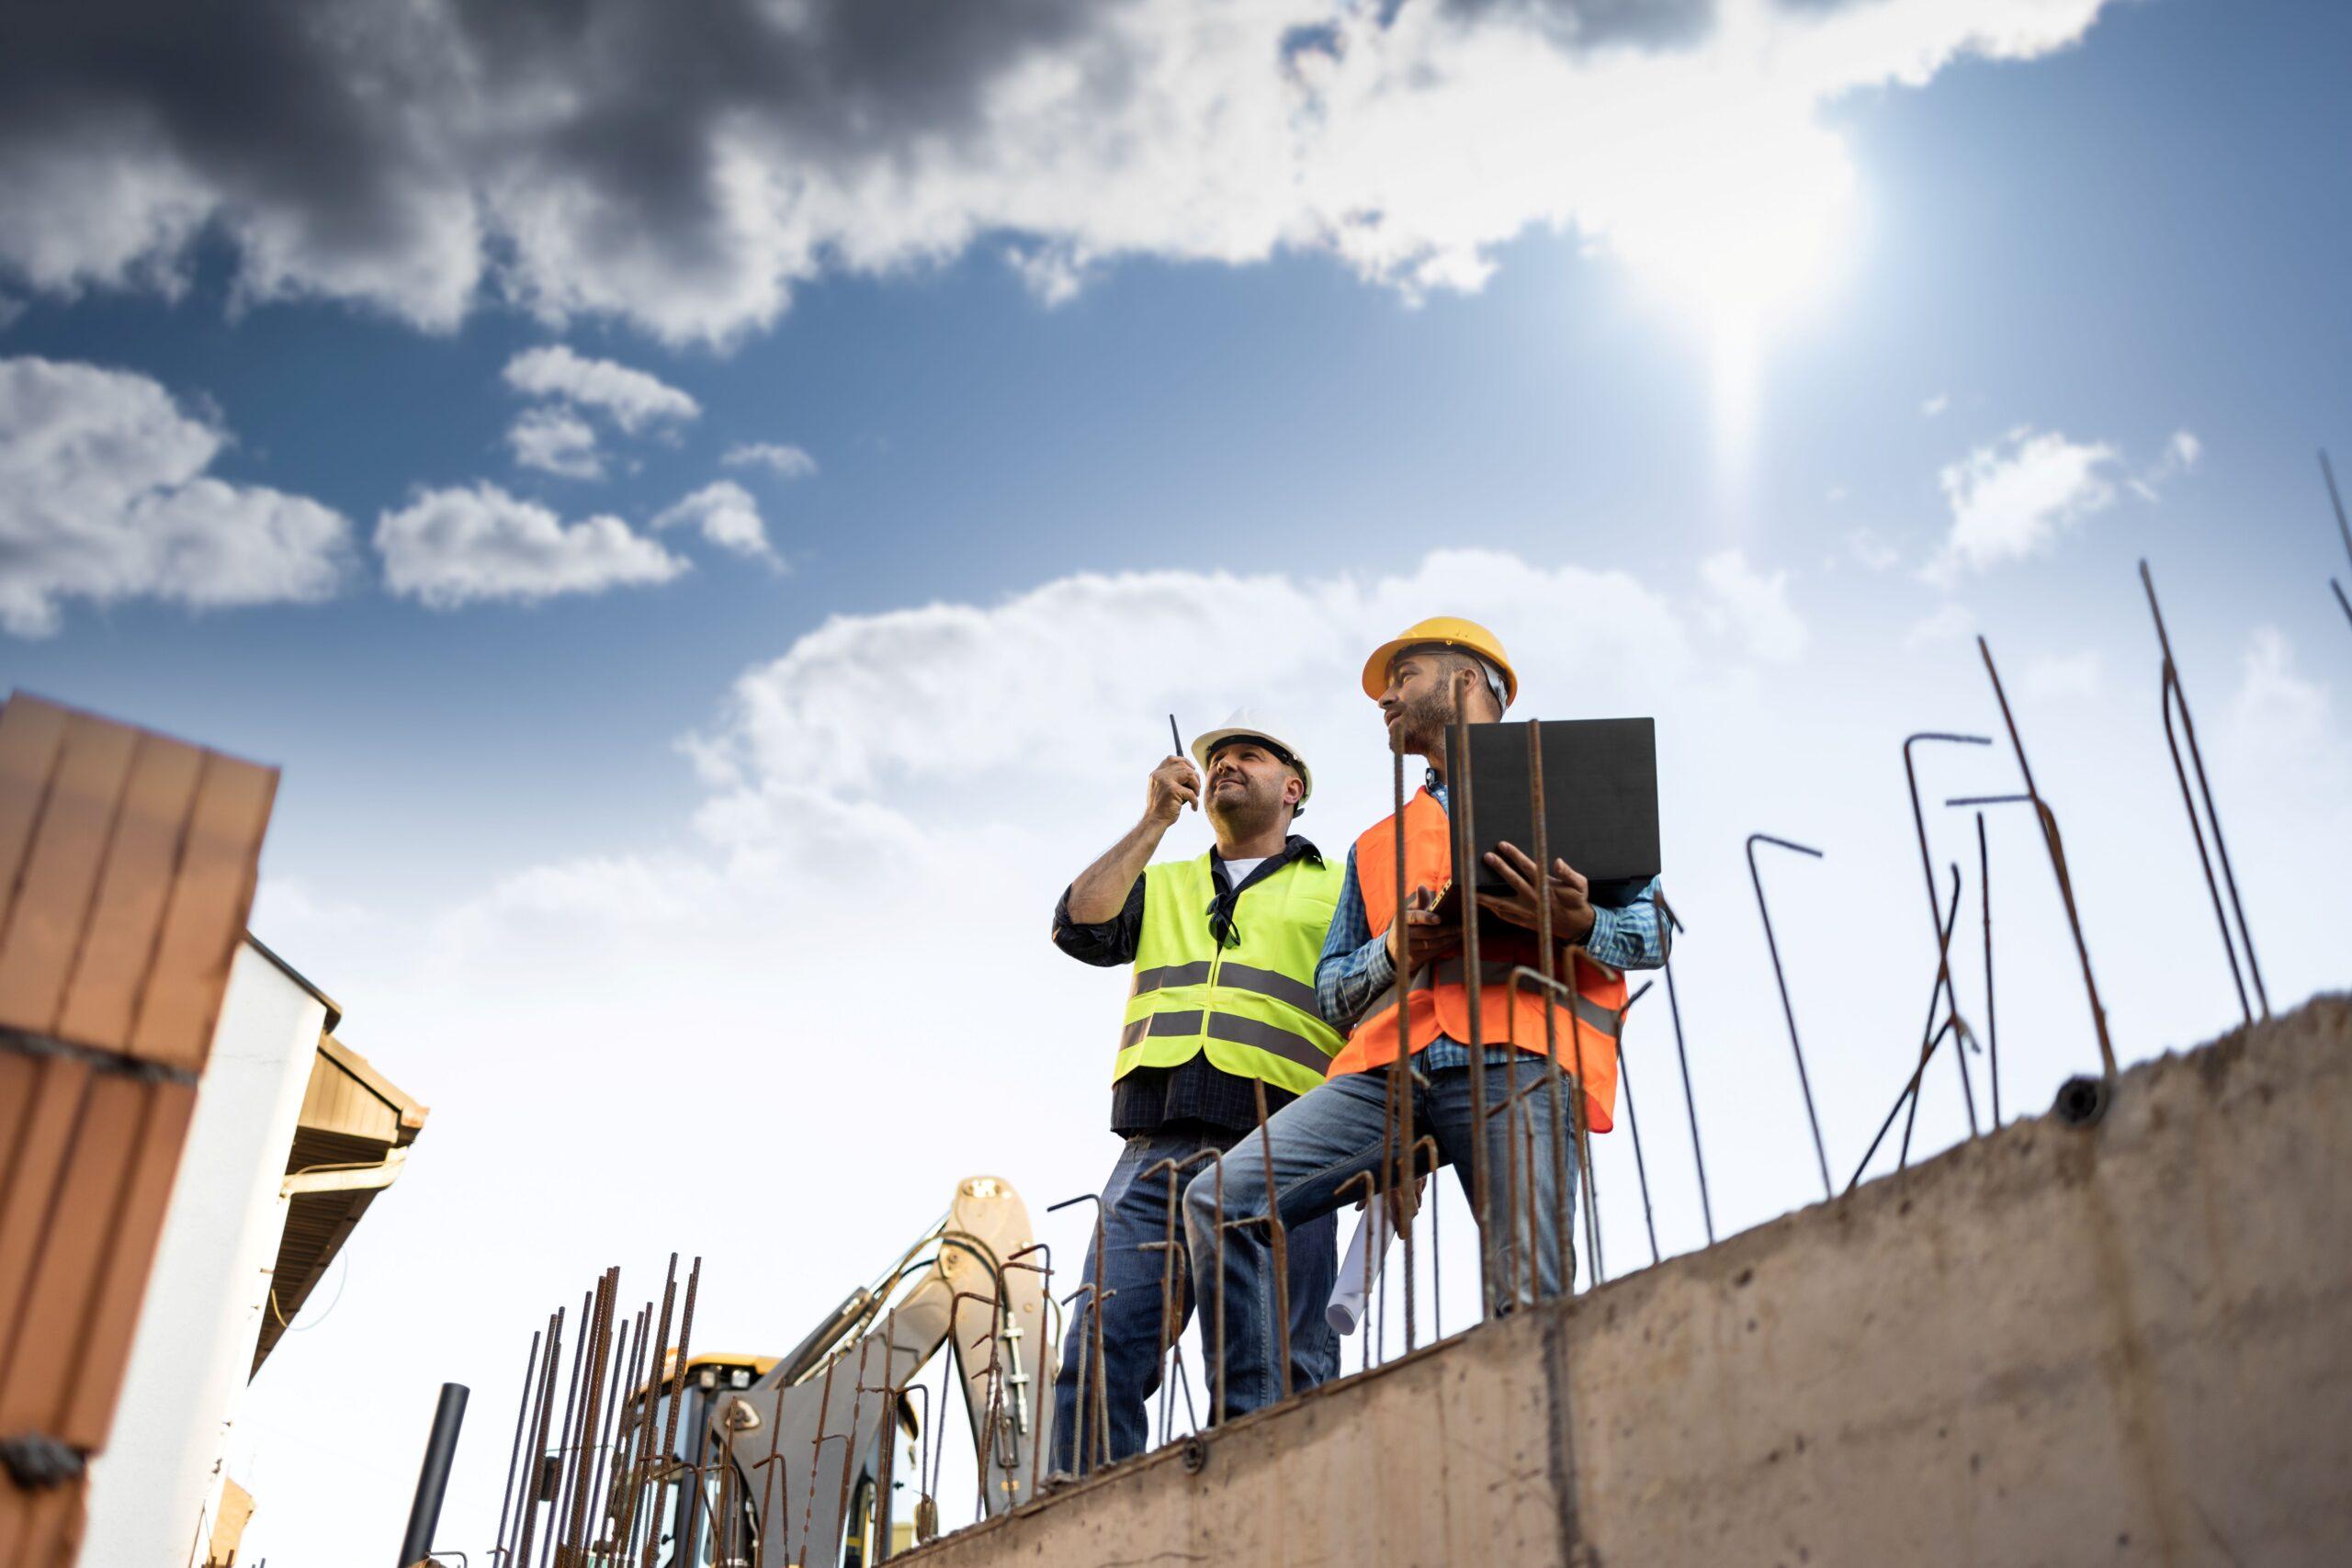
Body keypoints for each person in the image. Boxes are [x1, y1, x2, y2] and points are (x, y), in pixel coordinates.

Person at [1183, 617, 1670, 1421]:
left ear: (1473, 679)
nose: (1385, 695)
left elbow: (1654, 933)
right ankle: (1247, 1438)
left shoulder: (1572, 783)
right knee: (1216, 1201)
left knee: (1528, 1301)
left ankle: (1537, 1456)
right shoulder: (1379, 841)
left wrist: (1578, 921)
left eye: (1405, 673)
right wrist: (1395, 949)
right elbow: (1334, 990)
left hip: (1521, 1059)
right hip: (1391, 1079)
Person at [1046, 709, 1344, 1474]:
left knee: (1280, 1368)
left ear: (1293, 787)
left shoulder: (1339, 889)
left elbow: (1379, 1002)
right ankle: (1087, 1528)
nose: (1227, 765)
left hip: (1286, 1145)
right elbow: (1078, 926)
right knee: (1100, 1351)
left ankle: (1272, 1522)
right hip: (1156, 1150)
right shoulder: (1164, 882)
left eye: (1249, 755)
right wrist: (1152, 821)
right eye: (1217, 758)